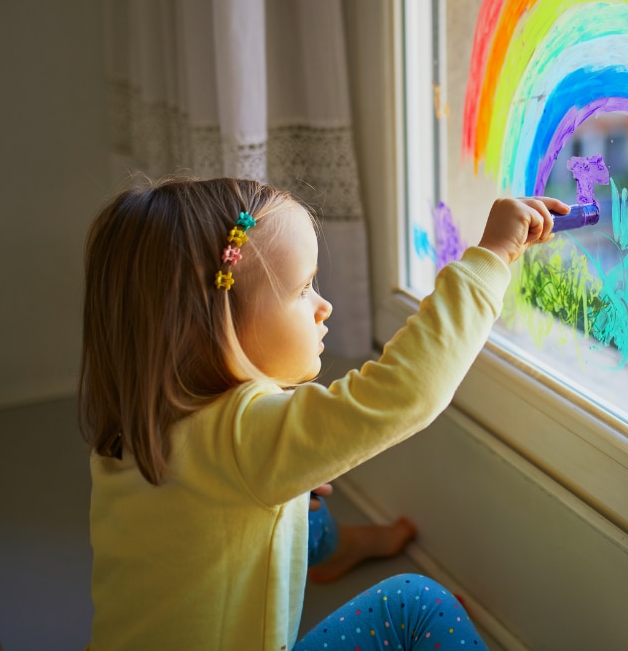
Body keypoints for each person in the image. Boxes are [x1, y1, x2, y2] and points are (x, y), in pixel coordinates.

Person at [79, 176, 565, 650]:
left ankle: (331, 550)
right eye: (302, 288)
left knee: (298, 480)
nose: (324, 305)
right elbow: (406, 391)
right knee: (417, 605)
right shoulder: (244, 437)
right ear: (211, 322)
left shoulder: (135, 426)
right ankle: (333, 551)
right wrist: (493, 257)